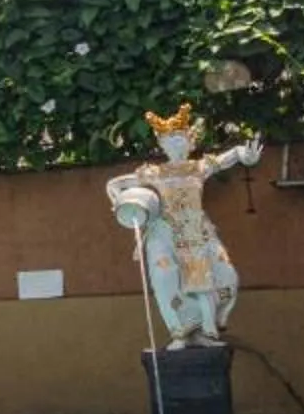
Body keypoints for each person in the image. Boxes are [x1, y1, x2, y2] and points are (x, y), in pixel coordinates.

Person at [108, 103, 261, 347]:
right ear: (162, 146)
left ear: (190, 142)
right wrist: (122, 205)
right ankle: (179, 332)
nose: (176, 145)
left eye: (180, 139)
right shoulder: (154, 173)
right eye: (170, 141)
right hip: (166, 233)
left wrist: (243, 154)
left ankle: (208, 329)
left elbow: (227, 158)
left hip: (198, 231)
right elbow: (115, 185)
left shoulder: (198, 168)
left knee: (224, 275)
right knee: (165, 279)